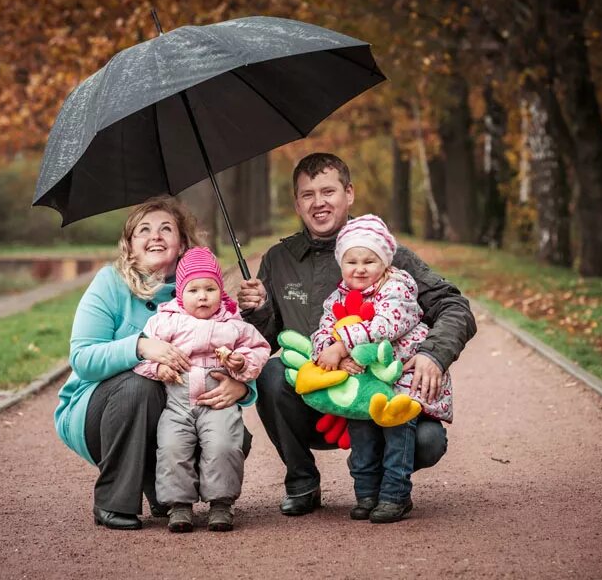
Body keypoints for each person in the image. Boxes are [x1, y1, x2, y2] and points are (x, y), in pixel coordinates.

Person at [238, 152, 476, 516]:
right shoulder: (278, 259)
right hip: (321, 400)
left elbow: (454, 306)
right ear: (297, 204)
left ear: (349, 194)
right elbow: (266, 343)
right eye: (307, 194)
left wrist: (433, 354)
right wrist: (257, 312)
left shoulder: (387, 253)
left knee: (427, 442)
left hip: (383, 393)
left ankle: (383, 479)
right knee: (272, 373)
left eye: (328, 191)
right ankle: (302, 481)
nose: (318, 202)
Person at [54, 197, 256, 531]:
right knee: (141, 386)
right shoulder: (110, 283)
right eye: (143, 231)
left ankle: (163, 490)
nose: (155, 236)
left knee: (232, 436)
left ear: (181, 244)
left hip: (179, 412)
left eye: (166, 229)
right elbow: (82, 359)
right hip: (101, 411)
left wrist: (242, 387)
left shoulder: (204, 291)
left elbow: (237, 346)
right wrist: (140, 346)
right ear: (130, 246)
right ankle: (113, 501)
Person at [312, 214, 453, 523]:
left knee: (397, 431)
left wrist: (342, 345)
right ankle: (366, 493)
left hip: (401, 379)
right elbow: (323, 332)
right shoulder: (336, 298)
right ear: (341, 264)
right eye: (351, 262)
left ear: (385, 263)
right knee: (362, 434)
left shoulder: (398, 289)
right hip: (364, 381)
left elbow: (385, 326)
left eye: (369, 261)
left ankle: (395, 495)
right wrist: (328, 350)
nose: (360, 269)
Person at [133, 247, 270, 532]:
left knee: (223, 446)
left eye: (210, 288)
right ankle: (178, 505)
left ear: (221, 291)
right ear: (180, 293)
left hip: (218, 403)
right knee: (172, 448)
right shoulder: (164, 321)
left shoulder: (232, 322)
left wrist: (240, 362)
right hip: (178, 404)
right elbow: (142, 356)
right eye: (194, 289)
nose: (203, 296)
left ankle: (221, 504)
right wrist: (159, 369)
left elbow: (259, 348)